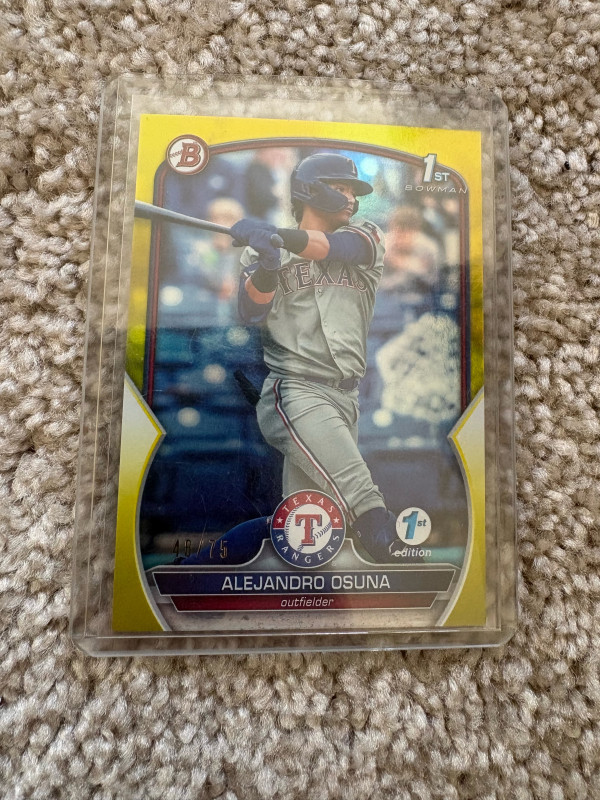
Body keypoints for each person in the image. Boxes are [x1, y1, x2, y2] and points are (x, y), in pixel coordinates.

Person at [228, 153, 403, 563]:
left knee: (309, 524)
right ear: (309, 191)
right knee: (359, 492)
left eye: (352, 190)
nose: (350, 198)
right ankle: (392, 545)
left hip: (346, 398)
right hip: (295, 391)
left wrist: (278, 237)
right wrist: (268, 266)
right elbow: (251, 311)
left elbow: (337, 247)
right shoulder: (263, 250)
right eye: (340, 188)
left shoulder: (366, 235)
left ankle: (206, 562)